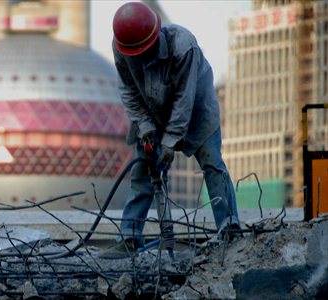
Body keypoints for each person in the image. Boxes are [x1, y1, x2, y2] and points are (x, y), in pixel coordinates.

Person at [99, 2, 241, 259]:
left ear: (155, 38)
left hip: (196, 110)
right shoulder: (122, 48)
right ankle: (130, 238)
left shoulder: (183, 46)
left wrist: (170, 141)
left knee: (212, 163)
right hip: (150, 111)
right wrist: (146, 128)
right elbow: (129, 92)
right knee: (142, 171)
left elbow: (184, 99)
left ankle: (230, 232)